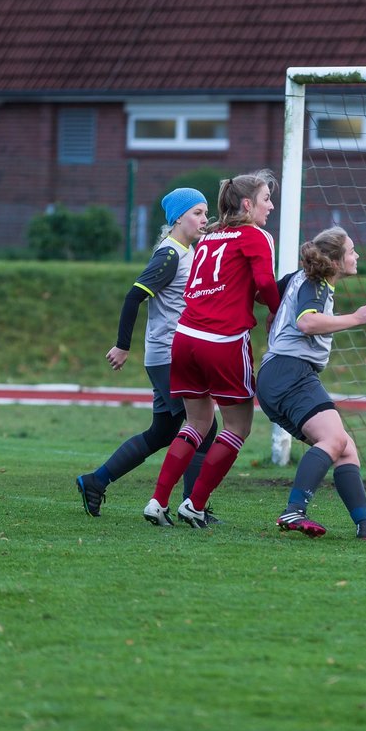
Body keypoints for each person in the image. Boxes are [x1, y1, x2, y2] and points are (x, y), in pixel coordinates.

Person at [145, 170, 281, 528]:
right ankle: (196, 504)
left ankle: (158, 501)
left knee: (196, 422)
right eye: (267, 199)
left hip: (185, 336)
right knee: (237, 427)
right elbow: (265, 281)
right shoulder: (257, 235)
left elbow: (216, 283)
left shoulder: (209, 236)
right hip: (222, 340)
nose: (271, 206)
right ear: (248, 204)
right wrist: (277, 311)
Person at [75, 187, 220, 521]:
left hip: (173, 355)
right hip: (169, 355)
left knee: (163, 433)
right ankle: (193, 507)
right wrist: (122, 345)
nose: (203, 218)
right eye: (197, 212)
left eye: (205, 212)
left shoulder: (190, 250)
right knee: (205, 428)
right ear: (178, 217)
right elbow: (132, 297)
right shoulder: (169, 254)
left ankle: (95, 481)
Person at [258, 227, 366, 540]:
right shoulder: (316, 283)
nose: (356, 255)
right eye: (351, 251)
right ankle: (294, 509)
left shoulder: (299, 277)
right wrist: (356, 318)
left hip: (280, 375)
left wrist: (274, 313)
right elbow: (307, 322)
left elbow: (264, 294)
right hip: (289, 372)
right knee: (333, 440)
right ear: (334, 260)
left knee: (345, 448)